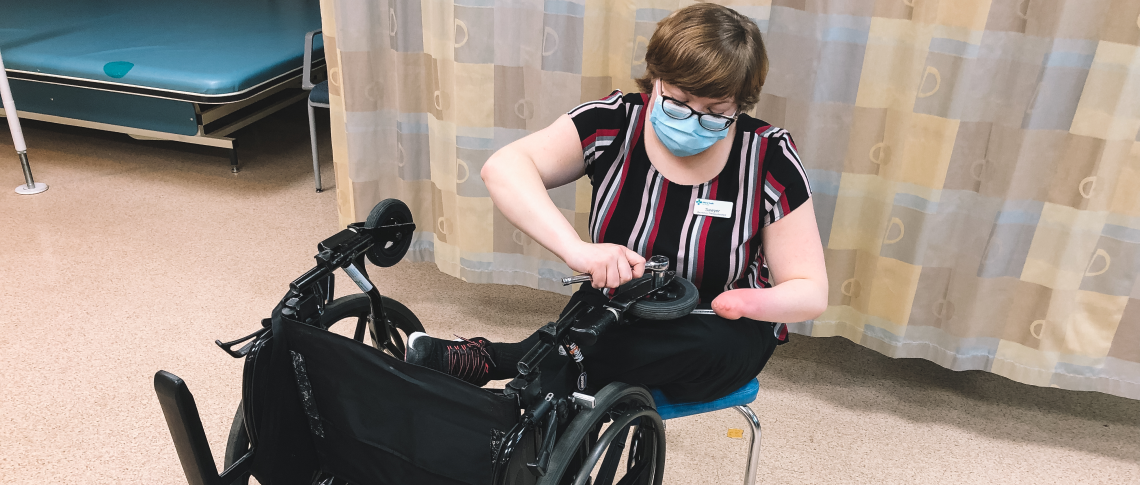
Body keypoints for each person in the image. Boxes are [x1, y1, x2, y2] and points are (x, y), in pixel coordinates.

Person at [406, 3, 827, 403]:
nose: (692, 120)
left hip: (718, 326)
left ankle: (501, 368)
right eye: (678, 101)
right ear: (655, 77)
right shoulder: (614, 122)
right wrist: (579, 251)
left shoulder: (768, 157)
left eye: (715, 112)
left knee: (594, 348)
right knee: (593, 331)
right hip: (621, 306)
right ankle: (526, 397)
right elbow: (503, 168)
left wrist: (748, 303)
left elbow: (810, 291)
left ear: (740, 105)